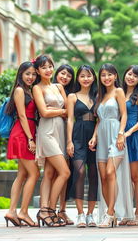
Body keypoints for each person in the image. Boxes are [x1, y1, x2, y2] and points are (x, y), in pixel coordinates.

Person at [89, 63, 134, 228]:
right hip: (101, 136)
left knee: (110, 172)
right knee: (103, 177)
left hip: (116, 135)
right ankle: (112, 213)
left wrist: (121, 134)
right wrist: (94, 137)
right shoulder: (99, 96)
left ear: (115, 76)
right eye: (103, 75)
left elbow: (124, 115)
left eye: (109, 74)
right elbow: (99, 120)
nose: (106, 78)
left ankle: (109, 213)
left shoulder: (119, 91)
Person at [33, 55, 70, 227]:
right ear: (38, 70)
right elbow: (43, 113)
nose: (48, 70)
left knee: (49, 173)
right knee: (64, 172)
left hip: (60, 131)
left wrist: (55, 110)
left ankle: (44, 210)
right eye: (44, 67)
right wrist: (60, 111)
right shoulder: (37, 88)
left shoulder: (58, 86)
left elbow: (68, 111)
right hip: (47, 131)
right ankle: (48, 210)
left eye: (50, 66)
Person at [4, 61, 40, 227]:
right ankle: (23, 212)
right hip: (22, 134)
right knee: (34, 174)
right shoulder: (19, 90)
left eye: (33, 74)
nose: (31, 77)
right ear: (20, 74)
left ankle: (12, 211)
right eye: (27, 73)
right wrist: (30, 139)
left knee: (22, 175)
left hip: (27, 132)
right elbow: (22, 116)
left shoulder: (29, 90)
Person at [67, 65, 98, 228]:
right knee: (79, 172)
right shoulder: (72, 96)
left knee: (93, 174)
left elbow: (99, 119)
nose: (86, 79)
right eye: (82, 76)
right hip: (77, 135)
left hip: (93, 136)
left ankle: (90, 214)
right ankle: (80, 214)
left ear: (93, 78)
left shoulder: (98, 96)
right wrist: (69, 141)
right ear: (78, 78)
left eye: (89, 76)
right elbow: (70, 119)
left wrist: (95, 136)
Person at [119, 65, 138, 226]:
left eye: (135, 76)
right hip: (120, 136)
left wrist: (130, 132)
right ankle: (127, 212)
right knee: (123, 177)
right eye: (129, 74)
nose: (131, 77)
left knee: (135, 176)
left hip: (133, 135)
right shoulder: (119, 93)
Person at [52, 64, 75, 225]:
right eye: (62, 73)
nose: (65, 77)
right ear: (56, 74)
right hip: (53, 133)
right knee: (52, 173)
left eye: (68, 75)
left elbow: (70, 113)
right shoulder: (50, 89)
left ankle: (62, 210)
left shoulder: (72, 94)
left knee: (65, 174)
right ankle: (49, 209)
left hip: (68, 136)